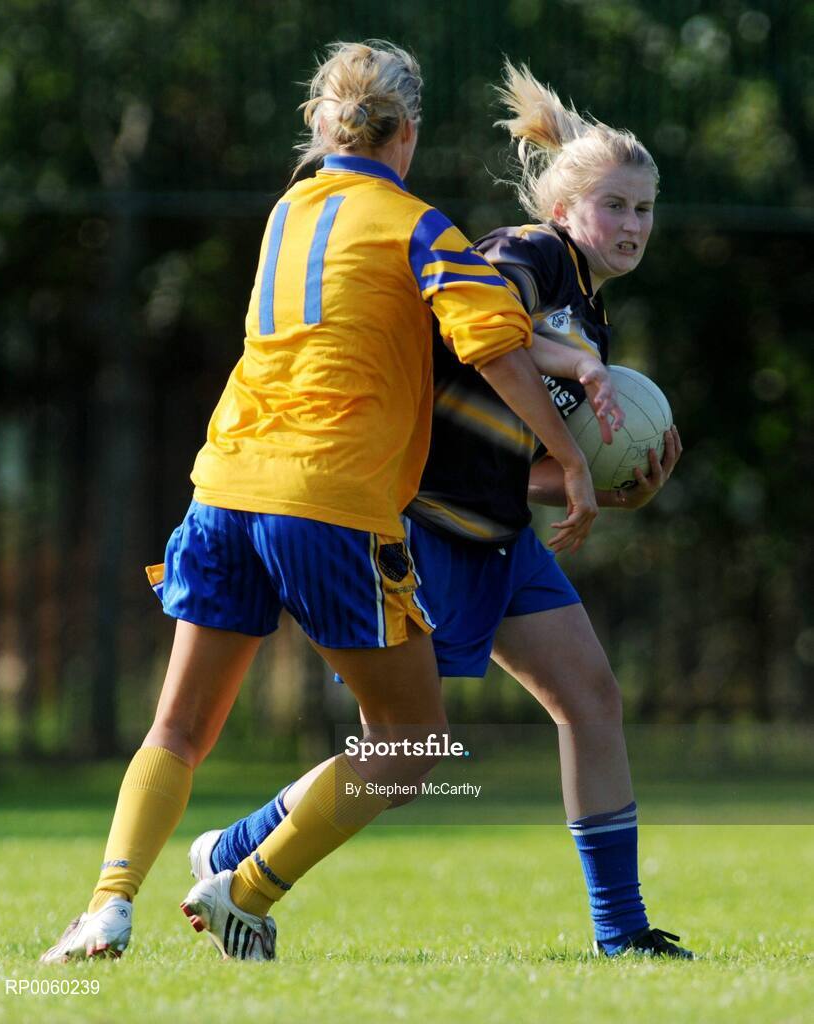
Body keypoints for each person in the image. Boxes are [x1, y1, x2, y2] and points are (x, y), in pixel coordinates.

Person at [39, 43, 615, 964]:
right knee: (412, 742)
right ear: (409, 133)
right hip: (327, 500)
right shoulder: (419, 225)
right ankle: (246, 887)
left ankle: (107, 905)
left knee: (179, 728)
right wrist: (571, 462)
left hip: (224, 484)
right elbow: (493, 349)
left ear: (323, 122)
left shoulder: (286, 210)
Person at [190, 61, 692, 960]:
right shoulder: (529, 256)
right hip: (432, 532)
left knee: (590, 699)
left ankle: (622, 935)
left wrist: (599, 485)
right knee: (411, 750)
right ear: (566, 208)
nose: (632, 225)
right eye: (615, 205)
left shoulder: (588, 313)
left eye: (645, 209)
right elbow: (472, 320)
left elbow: (508, 459)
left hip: (496, 532)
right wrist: (573, 397)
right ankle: (242, 867)